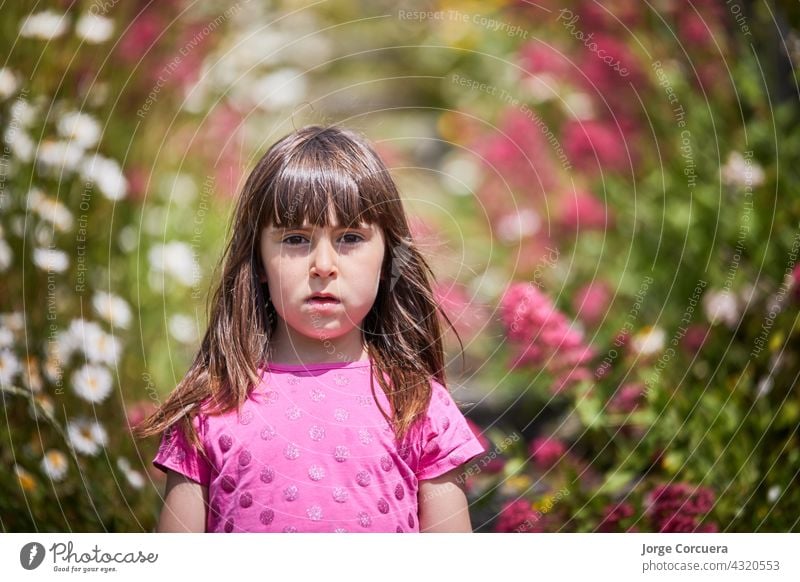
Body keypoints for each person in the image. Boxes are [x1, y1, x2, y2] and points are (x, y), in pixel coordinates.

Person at [134, 124, 487, 533]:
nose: (323, 265)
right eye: (296, 239)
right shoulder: (212, 409)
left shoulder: (419, 406)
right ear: (259, 262)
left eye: (350, 237)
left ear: (388, 259)